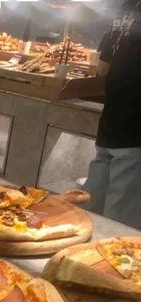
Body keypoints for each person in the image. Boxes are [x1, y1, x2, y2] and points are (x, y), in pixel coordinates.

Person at [84, 0, 141, 228]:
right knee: (120, 224)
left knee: (90, 210)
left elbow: (102, 68)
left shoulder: (125, 6)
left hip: (111, 119)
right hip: (136, 129)